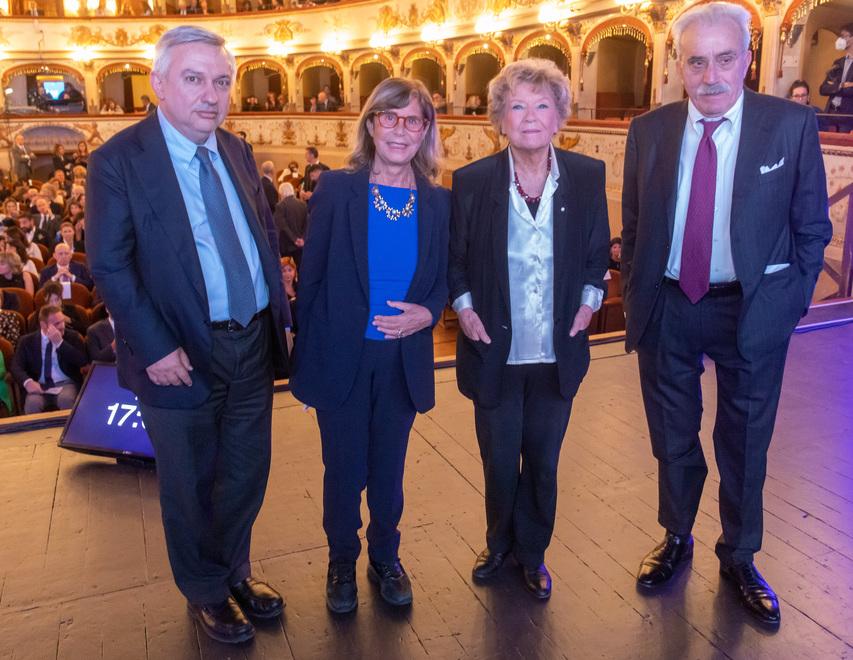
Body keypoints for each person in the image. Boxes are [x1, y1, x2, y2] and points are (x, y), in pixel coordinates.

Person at [621, 2, 832, 626]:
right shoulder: (649, 130)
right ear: (678, 66)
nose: (710, 75)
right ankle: (677, 535)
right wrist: (640, 299)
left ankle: (739, 554)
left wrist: (784, 308)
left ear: (747, 59)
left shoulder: (790, 126)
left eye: (724, 58)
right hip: (669, 305)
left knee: (744, 441)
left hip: (752, 311)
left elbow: (812, 231)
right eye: (696, 61)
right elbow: (634, 228)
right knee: (672, 435)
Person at [86, 25, 290, 645]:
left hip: (251, 342)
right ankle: (204, 591)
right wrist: (154, 345)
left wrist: (277, 313)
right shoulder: (118, 161)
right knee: (189, 480)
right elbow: (111, 265)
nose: (212, 94)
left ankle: (234, 572)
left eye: (222, 80)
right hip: (176, 354)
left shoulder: (236, 148)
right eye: (195, 79)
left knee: (246, 472)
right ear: (159, 84)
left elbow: (260, 238)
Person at [449, 58, 609, 600]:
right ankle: (499, 544)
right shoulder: (471, 182)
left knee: (542, 460)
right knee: (498, 460)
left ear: (561, 115)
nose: (530, 116)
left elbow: (595, 257)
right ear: (499, 118)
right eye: (517, 105)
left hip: (556, 350)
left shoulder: (588, 177)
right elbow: (456, 261)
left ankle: (534, 553)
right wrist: (465, 310)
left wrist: (590, 304)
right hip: (493, 348)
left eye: (543, 105)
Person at [290, 77, 449, 615]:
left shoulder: (439, 202)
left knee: (388, 471)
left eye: (413, 120)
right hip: (342, 359)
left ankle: (385, 557)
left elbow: (447, 277)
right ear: (371, 123)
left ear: (426, 130)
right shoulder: (338, 188)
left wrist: (430, 312)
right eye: (389, 117)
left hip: (402, 363)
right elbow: (309, 283)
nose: (400, 130)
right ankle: (341, 560)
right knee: (343, 471)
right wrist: (305, 368)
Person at [11, 304, 87, 414]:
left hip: (65, 383)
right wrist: (27, 382)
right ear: (43, 325)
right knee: (32, 404)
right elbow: (16, 366)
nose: (62, 326)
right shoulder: (27, 341)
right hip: (39, 385)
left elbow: (82, 361)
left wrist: (60, 343)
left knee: (66, 400)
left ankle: (69, 431)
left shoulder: (73, 337)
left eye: (62, 321)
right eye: (57, 323)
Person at [819, 23, 853, 133]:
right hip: (830, 113)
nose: (840, 39)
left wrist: (834, 87)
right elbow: (823, 89)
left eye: (844, 36)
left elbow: (851, 91)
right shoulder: (838, 62)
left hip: (848, 117)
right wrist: (842, 85)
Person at [272, 182, 307, 266]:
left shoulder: (280, 206)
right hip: (301, 244)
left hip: (286, 245)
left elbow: (282, 226)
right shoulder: (303, 204)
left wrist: (294, 239)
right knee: (300, 268)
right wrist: (302, 238)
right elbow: (307, 224)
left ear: (281, 193)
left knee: (287, 268)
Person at [279, 255, 297, 333]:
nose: (287, 273)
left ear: (295, 271)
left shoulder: (300, 287)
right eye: (284, 271)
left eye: (290, 270)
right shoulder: (280, 293)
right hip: (288, 330)